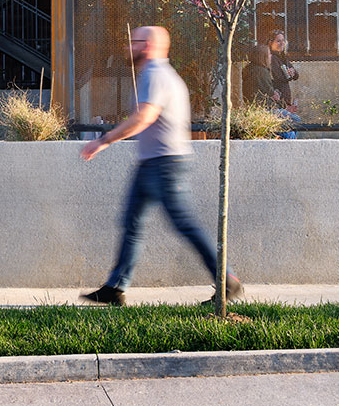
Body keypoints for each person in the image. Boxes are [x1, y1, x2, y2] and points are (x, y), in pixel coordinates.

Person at [79, 24, 244, 306]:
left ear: (149, 46)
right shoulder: (159, 74)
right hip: (152, 163)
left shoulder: (155, 74)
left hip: (165, 164)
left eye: (134, 42)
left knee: (185, 225)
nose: (127, 46)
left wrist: (103, 141)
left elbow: (144, 117)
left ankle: (227, 279)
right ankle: (115, 288)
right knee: (132, 223)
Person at [268, 32, 299, 111]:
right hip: (277, 98)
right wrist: (289, 76)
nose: (282, 43)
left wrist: (293, 72)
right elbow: (278, 78)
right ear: (270, 43)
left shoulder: (282, 57)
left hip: (284, 98)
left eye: (283, 40)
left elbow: (296, 76)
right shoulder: (271, 58)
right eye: (278, 41)